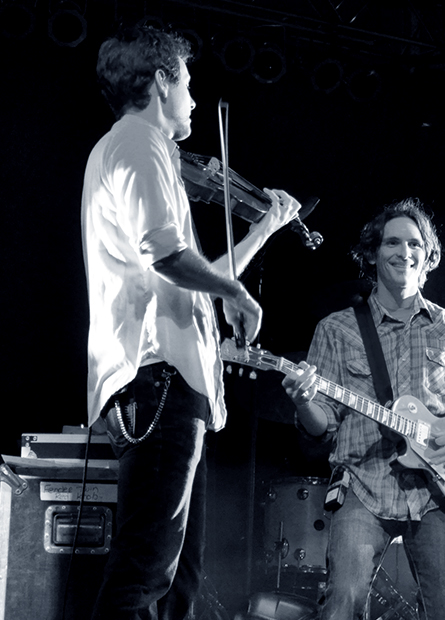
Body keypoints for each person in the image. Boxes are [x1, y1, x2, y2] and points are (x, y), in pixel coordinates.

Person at [82, 26, 301, 620]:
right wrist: (238, 295)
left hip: (169, 387)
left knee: (178, 579)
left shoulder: (145, 151)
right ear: (160, 81)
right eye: (188, 83)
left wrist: (260, 233)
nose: (195, 101)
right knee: (146, 571)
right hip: (158, 382)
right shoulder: (139, 142)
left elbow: (189, 278)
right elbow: (166, 254)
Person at [282, 198, 445, 619]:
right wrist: (304, 400)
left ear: (427, 256)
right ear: (373, 253)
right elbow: (320, 427)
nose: (404, 252)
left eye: (414, 244)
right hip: (362, 485)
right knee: (340, 605)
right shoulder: (337, 329)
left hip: (438, 497)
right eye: (392, 243)